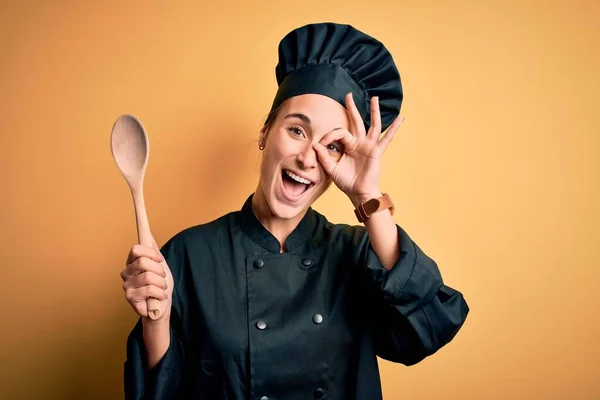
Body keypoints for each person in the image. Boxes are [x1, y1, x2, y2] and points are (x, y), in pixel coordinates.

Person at [122, 22, 469, 400]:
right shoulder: (189, 254)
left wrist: (367, 195)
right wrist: (155, 320)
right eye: (297, 131)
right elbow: (158, 391)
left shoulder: (356, 254)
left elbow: (431, 325)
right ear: (265, 132)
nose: (307, 159)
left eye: (331, 146)